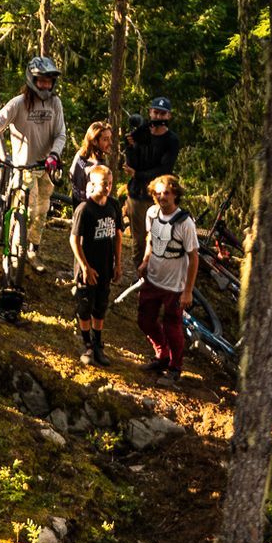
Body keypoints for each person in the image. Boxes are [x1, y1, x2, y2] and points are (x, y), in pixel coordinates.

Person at [0, 56, 67, 269]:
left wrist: (54, 155)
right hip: (23, 168)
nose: (46, 85)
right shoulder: (18, 103)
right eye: (42, 81)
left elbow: (61, 134)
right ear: (32, 79)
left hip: (46, 167)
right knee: (27, 212)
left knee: (42, 212)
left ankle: (32, 250)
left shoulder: (55, 103)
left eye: (49, 81)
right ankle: (15, 253)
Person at [136, 173, 199, 383]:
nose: (162, 197)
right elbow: (150, 239)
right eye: (158, 193)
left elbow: (193, 257)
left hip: (175, 284)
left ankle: (174, 367)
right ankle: (161, 354)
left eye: (166, 193)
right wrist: (145, 260)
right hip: (153, 278)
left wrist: (188, 290)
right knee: (145, 320)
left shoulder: (185, 223)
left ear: (175, 194)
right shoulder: (152, 213)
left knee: (172, 325)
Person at [70, 165, 125, 366]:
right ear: (91, 184)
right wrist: (85, 266)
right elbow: (74, 240)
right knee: (85, 305)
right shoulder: (84, 209)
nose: (108, 187)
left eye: (110, 183)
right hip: (87, 267)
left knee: (101, 306)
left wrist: (118, 264)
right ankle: (86, 345)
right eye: (104, 184)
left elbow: (118, 236)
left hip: (105, 266)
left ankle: (98, 342)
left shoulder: (114, 205)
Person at [123, 97, 181, 263]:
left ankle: (157, 278)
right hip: (137, 195)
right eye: (155, 112)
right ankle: (141, 278)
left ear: (168, 116)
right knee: (139, 242)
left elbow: (164, 170)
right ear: (150, 112)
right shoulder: (141, 133)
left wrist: (138, 174)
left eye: (162, 113)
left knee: (161, 239)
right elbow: (132, 164)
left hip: (160, 196)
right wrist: (132, 147)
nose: (158, 117)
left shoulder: (172, 140)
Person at [68, 121, 125, 206]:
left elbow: (71, 176)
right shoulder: (97, 167)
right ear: (94, 141)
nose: (110, 143)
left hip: (78, 207)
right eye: (105, 139)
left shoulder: (80, 154)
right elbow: (99, 196)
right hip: (91, 212)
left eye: (110, 138)